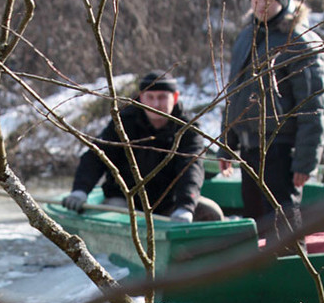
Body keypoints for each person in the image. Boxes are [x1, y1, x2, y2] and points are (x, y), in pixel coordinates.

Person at [218, 0, 324, 237]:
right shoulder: (246, 37)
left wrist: (305, 162)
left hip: (281, 147)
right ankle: (263, 277)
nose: (261, 5)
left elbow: (313, 108)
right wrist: (226, 145)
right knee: (256, 223)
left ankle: (293, 275)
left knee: (284, 226)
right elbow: (235, 94)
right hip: (248, 148)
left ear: (281, 0)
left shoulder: (299, 42)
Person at [63, 71, 218, 222]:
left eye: (162, 97)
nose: (156, 104)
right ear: (141, 97)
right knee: (118, 219)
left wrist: (185, 206)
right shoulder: (123, 122)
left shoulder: (188, 129)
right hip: (124, 200)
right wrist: (80, 190)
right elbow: (97, 156)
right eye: (150, 97)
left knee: (212, 214)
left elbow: (191, 168)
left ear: (175, 97)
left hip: (169, 203)